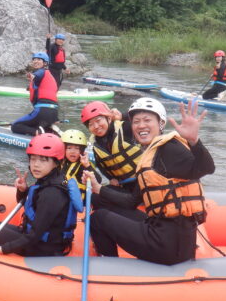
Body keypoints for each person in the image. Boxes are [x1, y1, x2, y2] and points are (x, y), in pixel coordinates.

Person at [83, 98, 215, 266]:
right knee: (105, 205)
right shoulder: (150, 156)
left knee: (98, 219)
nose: (141, 125)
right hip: (169, 235)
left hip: (165, 246)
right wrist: (98, 188)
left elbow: (205, 168)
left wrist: (194, 142)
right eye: (136, 122)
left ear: (161, 123)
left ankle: (109, 268)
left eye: (147, 120)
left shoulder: (169, 148)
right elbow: (131, 201)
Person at [0, 133, 83, 256]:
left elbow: (34, 235)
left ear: (56, 163)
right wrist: (23, 190)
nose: (36, 165)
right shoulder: (51, 180)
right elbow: (29, 204)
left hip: (43, 248)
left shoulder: (52, 194)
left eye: (43, 160)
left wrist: (2, 249)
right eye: (33, 159)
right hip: (39, 238)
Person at [80, 100, 142, 193]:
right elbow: (102, 166)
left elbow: (141, 116)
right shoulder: (95, 145)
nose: (96, 126)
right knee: (96, 197)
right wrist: (111, 178)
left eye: (98, 120)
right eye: (91, 124)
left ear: (109, 119)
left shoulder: (124, 128)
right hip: (124, 185)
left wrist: (122, 115)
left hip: (144, 179)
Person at [11, 52, 59, 136]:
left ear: (45, 63)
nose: (35, 61)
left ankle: (37, 132)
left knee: (15, 126)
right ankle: (47, 131)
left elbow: (37, 75)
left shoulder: (41, 72)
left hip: (42, 112)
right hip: (54, 113)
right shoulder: (49, 76)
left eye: (39, 60)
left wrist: (32, 76)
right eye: (34, 59)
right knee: (36, 124)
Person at [61, 129, 102, 199]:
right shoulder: (62, 163)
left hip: (78, 203)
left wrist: (87, 165)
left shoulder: (82, 166)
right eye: (69, 148)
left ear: (82, 151)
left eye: (77, 148)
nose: (72, 152)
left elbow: (98, 180)